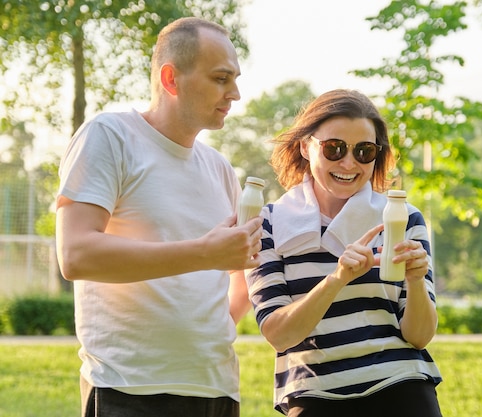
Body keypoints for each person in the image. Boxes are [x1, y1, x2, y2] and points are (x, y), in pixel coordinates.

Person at [55, 17, 263, 417]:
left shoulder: (220, 169)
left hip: (216, 389)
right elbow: (76, 254)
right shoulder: (109, 136)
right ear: (171, 79)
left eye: (235, 79)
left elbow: (241, 279)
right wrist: (204, 254)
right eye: (221, 78)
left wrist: (199, 336)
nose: (234, 93)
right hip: (129, 388)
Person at [246, 89, 443, 417]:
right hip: (313, 395)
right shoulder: (268, 222)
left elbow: (420, 336)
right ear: (305, 147)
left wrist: (417, 280)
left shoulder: (403, 217)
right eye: (334, 148)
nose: (349, 163)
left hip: (402, 387)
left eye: (364, 151)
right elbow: (279, 334)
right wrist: (337, 279)